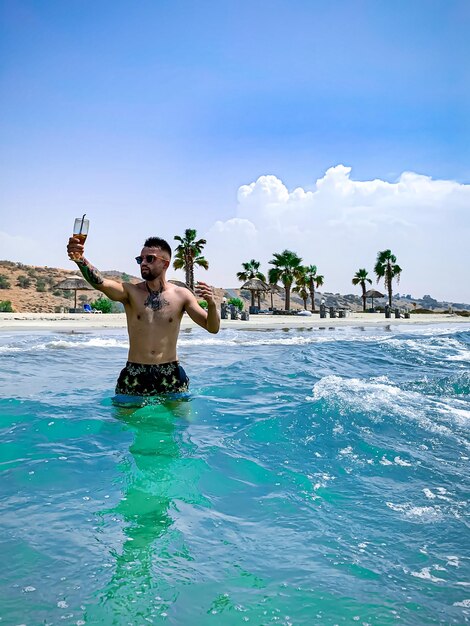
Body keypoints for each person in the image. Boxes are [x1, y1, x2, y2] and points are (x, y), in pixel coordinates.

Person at [67, 235, 220, 397]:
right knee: (126, 422)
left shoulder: (182, 295)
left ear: (165, 263)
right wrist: (80, 259)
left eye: (150, 258)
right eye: (141, 259)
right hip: (135, 373)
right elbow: (101, 282)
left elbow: (212, 328)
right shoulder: (130, 292)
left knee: (175, 422)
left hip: (170, 373)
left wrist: (211, 304)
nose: (144, 263)